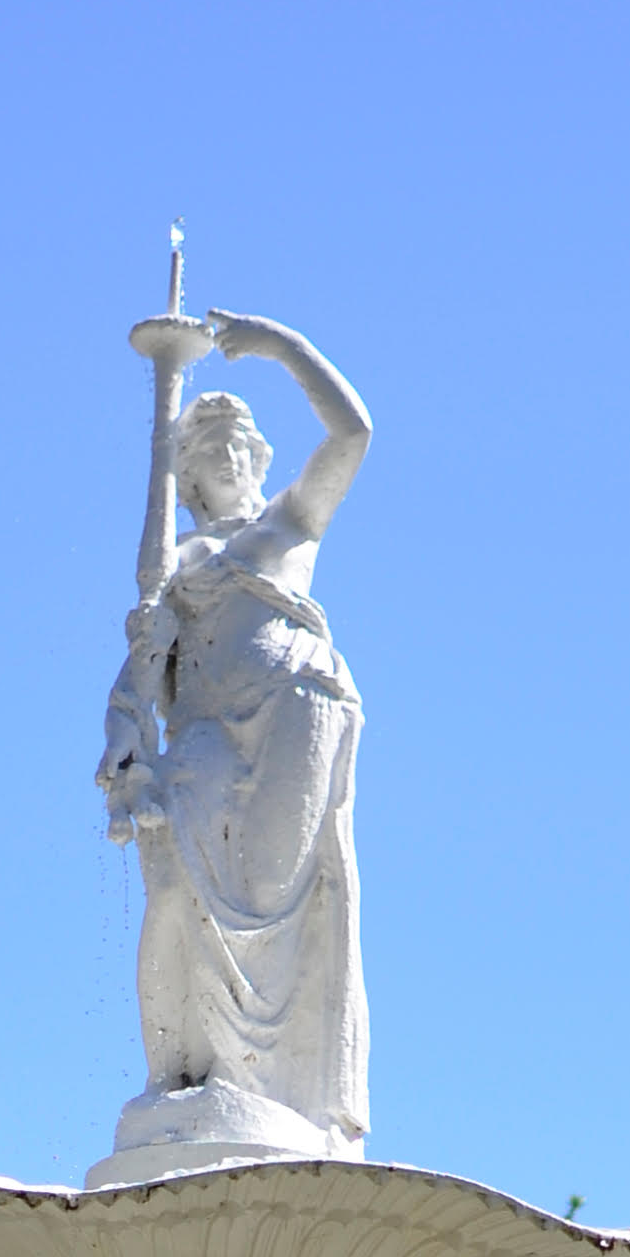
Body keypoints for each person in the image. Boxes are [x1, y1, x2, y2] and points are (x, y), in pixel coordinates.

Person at [93, 302, 372, 1179]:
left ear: (257, 460)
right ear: (184, 474)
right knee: (176, 878)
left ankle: (269, 1087)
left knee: (281, 894)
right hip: (208, 733)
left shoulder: (288, 528)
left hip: (300, 712)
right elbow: (143, 672)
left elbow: (354, 432)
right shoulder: (172, 564)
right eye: (202, 448)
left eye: (234, 445)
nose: (222, 457)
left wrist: (283, 347)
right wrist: (131, 751)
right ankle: (185, 1070)